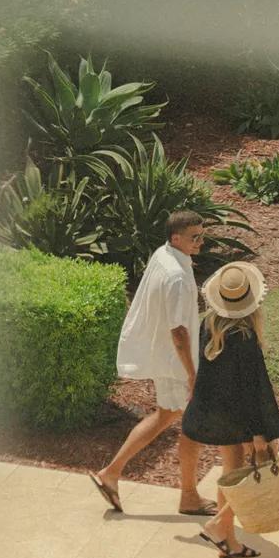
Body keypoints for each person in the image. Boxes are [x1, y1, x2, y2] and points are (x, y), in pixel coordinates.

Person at [89, 211, 214, 517]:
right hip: (176, 364)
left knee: (166, 417)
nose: (200, 241)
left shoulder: (164, 255)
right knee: (192, 426)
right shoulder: (177, 278)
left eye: (202, 235)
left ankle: (111, 473)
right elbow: (179, 332)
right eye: (194, 237)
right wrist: (192, 373)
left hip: (166, 359)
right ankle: (188, 496)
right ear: (176, 238)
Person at [184, 262, 279, 558]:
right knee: (256, 465)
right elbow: (251, 389)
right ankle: (220, 524)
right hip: (236, 417)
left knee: (230, 473)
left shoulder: (210, 325)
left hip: (214, 411)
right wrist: (259, 433)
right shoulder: (244, 338)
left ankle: (228, 540)